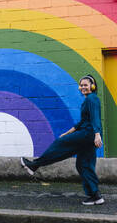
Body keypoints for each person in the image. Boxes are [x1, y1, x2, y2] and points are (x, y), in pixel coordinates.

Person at [21, 74, 104, 205]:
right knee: (84, 164)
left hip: (88, 134)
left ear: (92, 86)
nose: (82, 87)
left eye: (85, 85)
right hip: (88, 134)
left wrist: (97, 134)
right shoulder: (89, 100)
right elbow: (82, 122)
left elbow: (95, 118)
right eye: (81, 85)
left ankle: (34, 165)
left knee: (60, 144)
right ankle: (96, 196)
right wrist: (67, 132)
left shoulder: (92, 99)